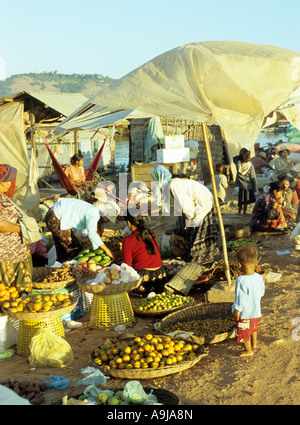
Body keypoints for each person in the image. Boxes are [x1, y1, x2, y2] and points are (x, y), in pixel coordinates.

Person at [151, 165, 218, 264]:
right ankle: (196, 257)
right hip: (200, 201)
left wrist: (189, 222)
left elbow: (187, 206)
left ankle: (199, 259)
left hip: (203, 201)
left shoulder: (174, 185)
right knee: (189, 227)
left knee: (198, 232)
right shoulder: (172, 183)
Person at [45, 194, 120, 263]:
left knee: (62, 247)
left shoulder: (93, 209)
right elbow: (92, 233)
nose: (108, 222)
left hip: (54, 215)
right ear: (105, 214)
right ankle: (70, 267)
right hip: (55, 217)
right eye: (109, 219)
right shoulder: (93, 213)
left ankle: (59, 265)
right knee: (73, 247)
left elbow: (92, 230)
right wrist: (107, 250)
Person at [0, 164, 33, 292]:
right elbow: (1, 224)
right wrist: (22, 229)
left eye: (10, 180)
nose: (9, 183)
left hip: (16, 250)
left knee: (20, 293)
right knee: (6, 291)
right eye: (6, 180)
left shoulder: (3, 196)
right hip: (6, 252)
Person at [232, 244, 265, 357]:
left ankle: (248, 350)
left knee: (244, 331)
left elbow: (240, 298)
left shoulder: (241, 280)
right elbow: (262, 292)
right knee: (253, 328)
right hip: (256, 311)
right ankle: (254, 344)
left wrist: (237, 310)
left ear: (239, 264)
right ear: (256, 264)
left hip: (245, 313)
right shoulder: (259, 277)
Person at [122, 212, 167, 294]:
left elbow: (127, 267)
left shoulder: (128, 240)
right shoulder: (149, 232)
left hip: (145, 281)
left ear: (128, 223)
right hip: (161, 276)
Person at [233, 148, 257, 216]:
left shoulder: (238, 164)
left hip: (240, 185)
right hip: (248, 186)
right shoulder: (250, 166)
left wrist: (240, 157)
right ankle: (244, 212)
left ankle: (239, 211)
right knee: (246, 200)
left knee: (240, 198)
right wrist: (255, 188)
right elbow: (253, 178)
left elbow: (234, 158)